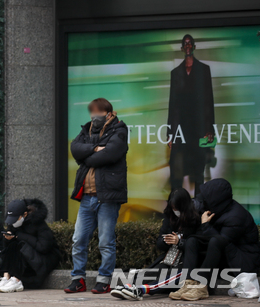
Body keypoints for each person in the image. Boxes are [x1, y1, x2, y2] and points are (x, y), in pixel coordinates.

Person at [67, 98, 128, 294]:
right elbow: (75, 149)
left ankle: (104, 280)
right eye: (93, 113)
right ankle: (78, 280)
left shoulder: (119, 129)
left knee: (105, 242)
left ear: (109, 113)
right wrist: (94, 148)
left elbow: (110, 154)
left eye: (99, 113)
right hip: (86, 196)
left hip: (107, 197)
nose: (95, 117)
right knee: (78, 240)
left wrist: (87, 156)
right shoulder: (86, 129)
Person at [168, 178, 260, 301]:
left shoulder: (236, 216)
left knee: (215, 241)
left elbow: (220, 242)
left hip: (244, 260)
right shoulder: (215, 210)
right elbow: (202, 238)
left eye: (206, 198)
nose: (202, 199)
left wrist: (205, 225)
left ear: (216, 200)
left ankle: (202, 286)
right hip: (226, 255)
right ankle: (189, 284)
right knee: (192, 241)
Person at [111, 188, 200, 300]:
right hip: (169, 258)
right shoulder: (170, 216)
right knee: (149, 274)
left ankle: (140, 290)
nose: (175, 211)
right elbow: (159, 243)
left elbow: (197, 245)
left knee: (169, 278)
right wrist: (167, 241)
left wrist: (179, 242)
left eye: (177, 208)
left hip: (186, 263)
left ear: (184, 206)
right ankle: (127, 288)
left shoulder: (196, 219)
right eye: (173, 208)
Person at [167, 34, 215, 197]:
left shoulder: (203, 70)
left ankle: (199, 206)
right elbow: (172, 105)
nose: (188, 46)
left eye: (190, 43)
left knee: (199, 170)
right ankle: (176, 207)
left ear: (194, 47)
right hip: (181, 128)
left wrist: (210, 129)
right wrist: (170, 134)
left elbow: (209, 101)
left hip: (199, 127)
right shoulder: (176, 73)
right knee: (176, 169)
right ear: (182, 48)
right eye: (185, 44)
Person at [0, 199, 60, 293]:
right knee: (12, 245)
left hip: (44, 259)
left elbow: (44, 247)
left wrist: (20, 236)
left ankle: (16, 280)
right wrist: (7, 239)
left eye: (16, 218)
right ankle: (6, 278)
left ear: (25, 214)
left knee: (21, 244)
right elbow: (7, 248)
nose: (13, 222)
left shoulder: (38, 223)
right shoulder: (13, 223)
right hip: (26, 261)